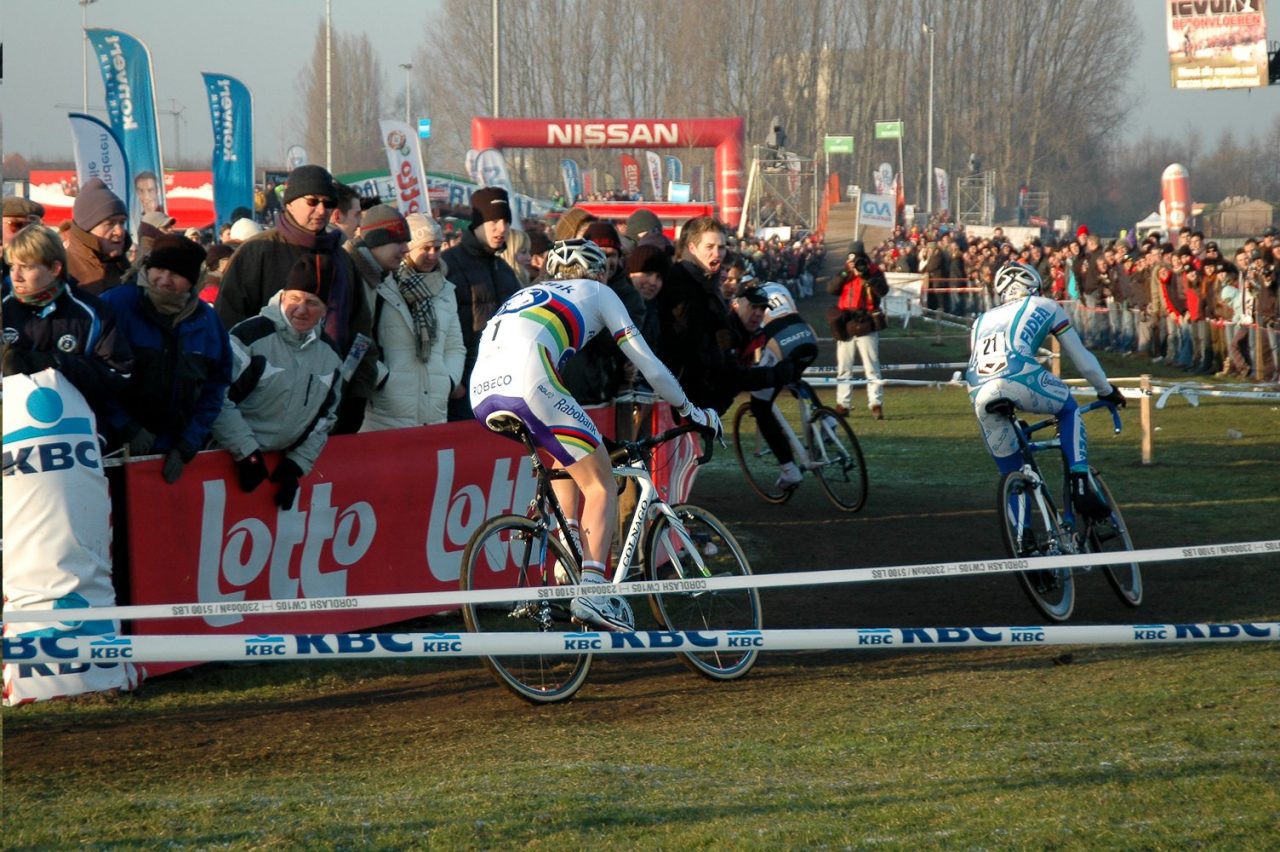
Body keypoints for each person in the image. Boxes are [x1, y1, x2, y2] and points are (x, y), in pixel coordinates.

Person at [470, 239, 720, 632]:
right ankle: (593, 589)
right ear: (599, 272)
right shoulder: (599, 292)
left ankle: (564, 552)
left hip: (481, 394)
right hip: (529, 383)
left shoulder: (527, 293)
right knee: (602, 483)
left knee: (568, 458)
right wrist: (691, 409)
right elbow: (650, 365)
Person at [214, 164, 374, 432]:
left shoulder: (342, 260)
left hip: (329, 403)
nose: (321, 210)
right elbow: (229, 325)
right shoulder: (258, 252)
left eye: (328, 203)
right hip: (263, 405)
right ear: (290, 203)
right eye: (312, 201)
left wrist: (357, 392)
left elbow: (360, 332)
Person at [964, 262, 1126, 519]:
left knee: (1011, 471)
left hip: (978, 391)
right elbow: (1083, 361)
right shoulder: (1047, 305)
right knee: (1069, 408)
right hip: (1019, 376)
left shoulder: (980, 321)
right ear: (1034, 286)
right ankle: (1080, 482)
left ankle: (1022, 539)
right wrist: (1106, 390)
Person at [212, 254, 345, 509]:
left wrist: (297, 464)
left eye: (312, 302)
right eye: (294, 298)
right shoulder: (250, 336)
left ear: (325, 309)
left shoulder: (329, 355)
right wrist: (246, 453)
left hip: (277, 470)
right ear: (282, 297)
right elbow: (216, 397)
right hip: (227, 459)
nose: (301, 309)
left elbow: (327, 416)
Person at [101, 235, 232, 484]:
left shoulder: (208, 323)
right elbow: (95, 375)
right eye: (158, 269)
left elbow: (215, 388)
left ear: (192, 281)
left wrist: (188, 444)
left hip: (173, 456)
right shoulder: (117, 305)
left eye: (176, 274)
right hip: (114, 449)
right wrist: (126, 427)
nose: (164, 280)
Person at [1, 223, 133, 423]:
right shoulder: (5, 306)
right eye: (12, 266)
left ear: (55, 268)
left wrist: (57, 364)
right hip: (12, 433)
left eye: (26, 267)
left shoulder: (92, 313)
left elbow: (119, 375)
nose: (16, 276)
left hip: (72, 432)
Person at [360, 212, 464, 430]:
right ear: (409, 248)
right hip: (386, 412)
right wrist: (383, 380)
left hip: (433, 410)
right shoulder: (383, 286)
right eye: (425, 248)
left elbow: (455, 346)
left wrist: (448, 381)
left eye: (437, 247)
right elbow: (364, 338)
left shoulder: (445, 290)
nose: (433, 255)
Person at [440, 186, 521, 421]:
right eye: (493, 220)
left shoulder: (505, 270)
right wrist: (454, 381)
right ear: (477, 222)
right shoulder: (449, 264)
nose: (502, 228)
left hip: (502, 386)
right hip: (461, 388)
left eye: (506, 221)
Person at [829, 249, 888, 419]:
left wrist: (868, 276)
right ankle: (843, 404)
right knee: (844, 367)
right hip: (846, 322)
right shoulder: (845, 272)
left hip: (867, 322)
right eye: (852, 260)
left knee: (872, 367)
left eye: (858, 260)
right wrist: (845, 272)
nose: (856, 265)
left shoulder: (874, 272)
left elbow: (883, 291)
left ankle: (876, 404)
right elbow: (831, 289)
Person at [62, 177, 131, 296]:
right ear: (86, 229)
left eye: (122, 222)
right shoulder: (61, 272)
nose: (119, 232)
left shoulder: (127, 269)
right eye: (110, 224)